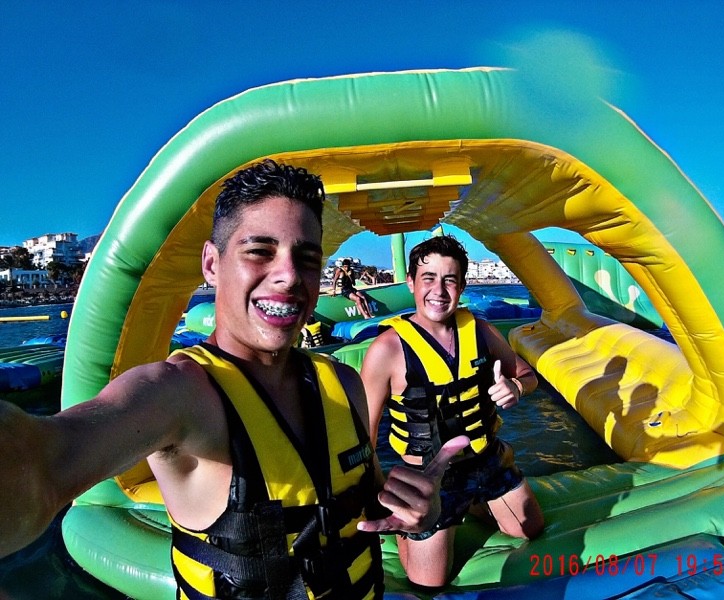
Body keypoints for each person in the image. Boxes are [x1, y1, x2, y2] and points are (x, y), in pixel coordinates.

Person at [0, 159, 468, 599]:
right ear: (211, 263)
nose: (288, 276)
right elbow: (43, 462)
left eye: (306, 258)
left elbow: (365, 504)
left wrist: (420, 513)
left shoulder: (343, 384)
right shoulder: (178, 395)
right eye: (260, 251)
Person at [360, 235, 545, 589]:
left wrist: (516, 388)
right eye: (428, 278)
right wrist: (382, 497)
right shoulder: (387, 350)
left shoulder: (480, 331)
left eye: (449, 280)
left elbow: (527, 375)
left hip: (487, 459)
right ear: (411, 282)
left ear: (461, 286)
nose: (439, 290)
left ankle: (474, 501)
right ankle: (410, 533)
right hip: (428, 479)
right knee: (429, 582)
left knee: (530, 530)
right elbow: (363, 437)